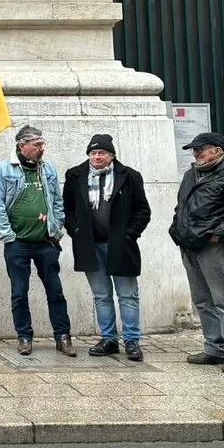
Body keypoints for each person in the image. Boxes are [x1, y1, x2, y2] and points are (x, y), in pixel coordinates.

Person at [171, 132, 224, 374]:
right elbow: (182, 206)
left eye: (202, 149)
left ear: (217, 150)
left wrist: (216, 235)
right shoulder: (191, 174)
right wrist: (176, 227)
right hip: (189, 244)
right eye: (194, 149)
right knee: (202, 300)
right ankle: (214, 348)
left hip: (215, 246)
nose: (197, 153)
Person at [0, 125, 75, 357]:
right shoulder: (3, 169)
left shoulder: (48, 169)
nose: (41, 149)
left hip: (46, 242)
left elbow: (56, 200)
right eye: (37, 145)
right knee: (19, 292)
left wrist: (56, 229)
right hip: (18, 244)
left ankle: (63, 336)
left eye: (42, 144)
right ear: (22, 146)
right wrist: (7, 235)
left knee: (55, 291)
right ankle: (24, 336)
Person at [62, 134, 152, 360]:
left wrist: (130, 235)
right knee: (101, 295)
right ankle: (109, 338)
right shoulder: (75, 175)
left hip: (121, 245)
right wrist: (76, 231)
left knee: (128, 295)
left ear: (112, 155)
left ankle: (131, 340)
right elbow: (67, 209)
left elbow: (143, 210)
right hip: (90, 245)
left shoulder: (129, 176)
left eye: (102, 153)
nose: (97, 157)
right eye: (93, 153)